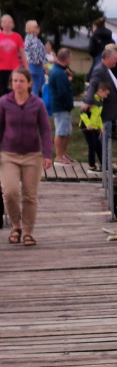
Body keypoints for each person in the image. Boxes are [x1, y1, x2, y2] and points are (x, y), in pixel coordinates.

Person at [0, 68, 53, 247]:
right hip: (8, 155)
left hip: (32, 156)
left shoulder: (37, 104)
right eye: (15, 81)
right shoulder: (4, 102)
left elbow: (45, 130)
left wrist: (47, 154)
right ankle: (16, 226)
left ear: (29, 83)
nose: (18, 84)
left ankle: (28, 232)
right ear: (11, 83)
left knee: (30, 195)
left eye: (22, 81)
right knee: (10, 192)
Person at [83, 48, 117, 177]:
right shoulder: (100, 70)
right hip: (104, 112)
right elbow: (93, 85)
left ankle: (106, 164)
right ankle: (104, 165)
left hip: (110, 111)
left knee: (106, 139)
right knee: (104, 139)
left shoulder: (107, 70)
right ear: (108, 57)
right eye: (115, 58)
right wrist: (88, 101)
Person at [48, 48, 75, 165]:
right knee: (61, 132)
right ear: (67, 58)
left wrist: (69, 77)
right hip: (61, 107)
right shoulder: (58, 73)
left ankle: (63, 154)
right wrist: (67, 106)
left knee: (66, 132)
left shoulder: (61, 71)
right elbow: (62, 92)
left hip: (64, 107)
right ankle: (58, 156)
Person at [79, 80, 110, 172]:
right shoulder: (90, 99)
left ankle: (103, 166)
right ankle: (91, 167)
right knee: (92, 146)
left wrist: (101, 126)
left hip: (95, 127)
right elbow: (82, 113)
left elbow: (98, 115)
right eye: (106, 94)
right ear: (100, 91)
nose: (106, 96)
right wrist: (88, 124)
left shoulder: (100, 101)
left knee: (99, 146)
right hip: (87, 127)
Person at [0, 15, 26, 98]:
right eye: (5, 22)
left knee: (13, 91)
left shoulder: (17, 36)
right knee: (1, 91)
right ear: (1, 24)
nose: (7, 24)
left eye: (9, 22)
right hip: (1, 69)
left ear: (13, 25)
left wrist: (27, 68)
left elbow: (22, 54)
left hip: (14, 69)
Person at [24, 21, 47, 98]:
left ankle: (33, 101)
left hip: (37, 66)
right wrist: (43, 62)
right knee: (35, 87)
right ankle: (33, 104)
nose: (39, 28)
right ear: (32, 28)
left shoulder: (35, 39)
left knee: (41, 82)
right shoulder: (31, 39)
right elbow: (36, 52)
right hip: (34, 65)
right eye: (37, 27)